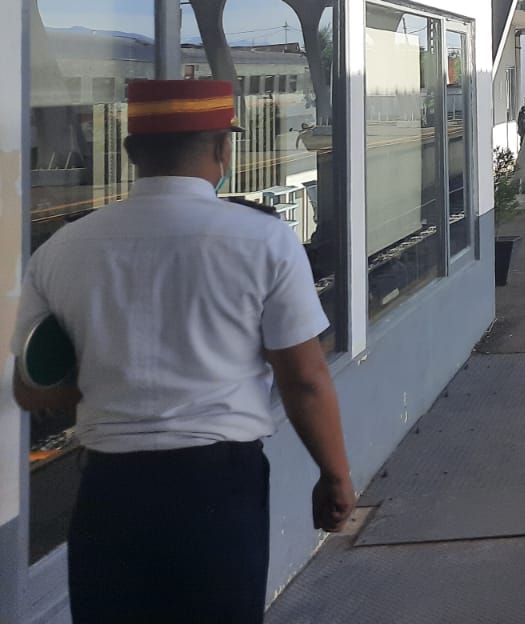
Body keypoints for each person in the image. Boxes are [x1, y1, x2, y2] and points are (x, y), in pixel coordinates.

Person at [11, 80, 354, 624]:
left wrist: (103, 374)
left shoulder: (61, 250)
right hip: (217, 490)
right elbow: (304, 379)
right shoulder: (263, 240)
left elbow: (29, 388)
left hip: (109, 492)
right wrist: (334, 475)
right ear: (223, 149)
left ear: (129, 155)